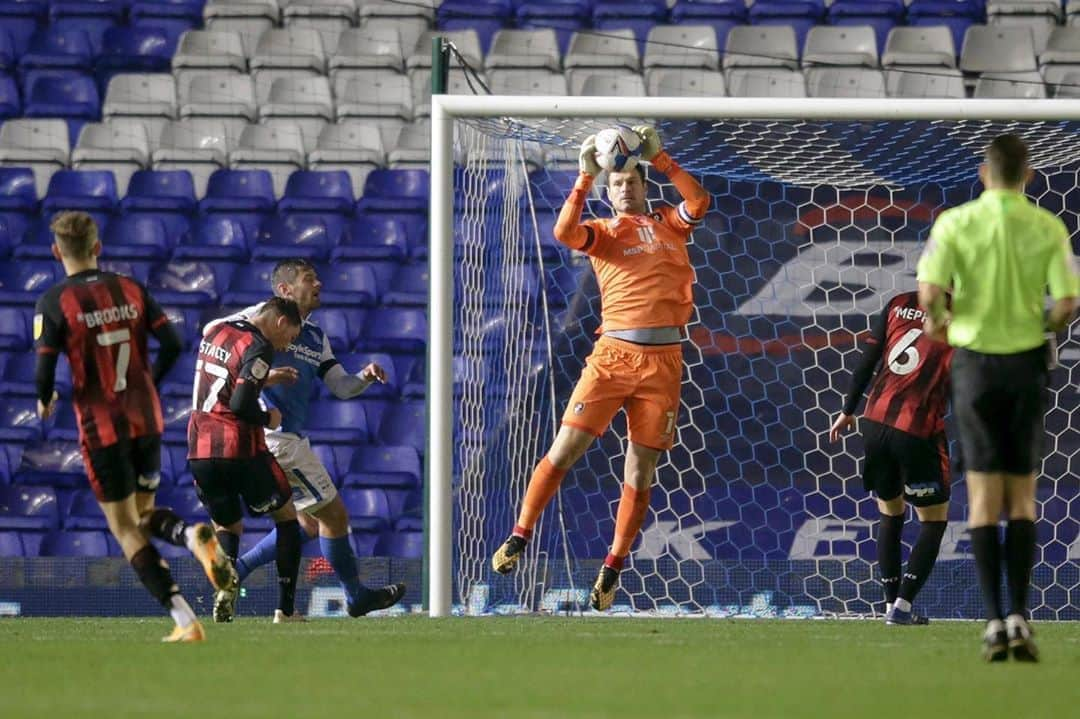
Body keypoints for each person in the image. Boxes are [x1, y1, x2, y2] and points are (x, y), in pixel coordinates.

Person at [491, 125, 710, 610]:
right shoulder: (606, 234)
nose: (625, 188)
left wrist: (663, 159)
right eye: (618, 184)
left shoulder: (670, 225)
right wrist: (585, 177)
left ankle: (612, 570)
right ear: (609, 194)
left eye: (631, 181)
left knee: (641, 468)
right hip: (612, 357)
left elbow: (700, 202)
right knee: (566, 447)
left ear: (643, 186)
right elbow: (564, 232)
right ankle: (520, 536)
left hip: (663, 363)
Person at [34, 211, 233, 642]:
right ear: (97, 248)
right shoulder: (130, 288)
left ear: (56, 252)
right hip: (146, 418)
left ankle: (185, 621)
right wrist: (148, 384)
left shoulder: (54, 302)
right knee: (143, 515)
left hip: (101, 426)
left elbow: (45, 369)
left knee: (124, 526)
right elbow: (175, 344)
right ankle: (190, 536)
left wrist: (45, 398)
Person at [917, 134, 1079, 662]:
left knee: (984, 500)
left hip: (977, 367)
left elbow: (929, 297)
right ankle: (1021, 617)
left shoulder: (955, 224)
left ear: (985, 173)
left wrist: (943, 325)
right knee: (1023, 499)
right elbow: (1069, 302)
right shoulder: (1047, 225)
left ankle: (992, 622)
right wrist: (1039, 324)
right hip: (1027, 365)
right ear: (1028, 175)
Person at [206, 259, 406, 622]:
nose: (319, 283)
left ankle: (240, 575)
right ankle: (355, 597)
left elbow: (340, 387)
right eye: (309, 279)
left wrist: (362, 376)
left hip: (291, 438)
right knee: (334, 516)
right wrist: (261, 382)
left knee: (306, 524)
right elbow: (211, 332)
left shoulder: (315, 337)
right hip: (275, 438)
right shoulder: (257, 321)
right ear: (284, 290)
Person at [829, 291, 953, 625]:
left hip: (873, 421)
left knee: (890, 513)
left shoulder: (900, 303)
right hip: (918, 430)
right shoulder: (965, 316)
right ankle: (903, 606)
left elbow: (868, 358)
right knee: (933, 520)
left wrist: (847, 410)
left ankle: (888, 605)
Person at [181, 296, 307, 623]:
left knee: (227, 524)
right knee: (288, 517)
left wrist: (270, 377)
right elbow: (239, 403)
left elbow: (229, 376)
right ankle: (287, 609)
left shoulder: (216, 332)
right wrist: (269, 419)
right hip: (239, 447)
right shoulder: (260, 345)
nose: (284, 346)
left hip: (199, 448)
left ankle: (226, 588)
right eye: (290, 337)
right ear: (280, 321)